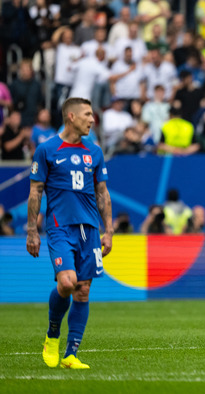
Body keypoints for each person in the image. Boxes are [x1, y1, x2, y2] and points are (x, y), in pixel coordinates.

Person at [26, 97, 113, 369]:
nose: (92, 119)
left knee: (83, 291)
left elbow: (102, 193)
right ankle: (52, 335)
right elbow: (35, 191)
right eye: (88, 114)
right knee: (66, 283)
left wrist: (108, 230)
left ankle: (71, 354)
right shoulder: (47, 149)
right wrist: (32, 231)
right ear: (71, 117)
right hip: (59, 225)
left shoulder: (95, 152)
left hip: (89, 229)